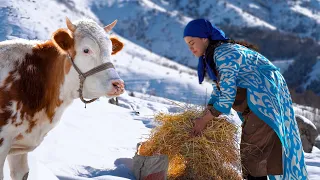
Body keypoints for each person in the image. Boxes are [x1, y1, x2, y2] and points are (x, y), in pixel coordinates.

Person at [183, 19, 308, 180]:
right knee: (253, 157)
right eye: (187, 44)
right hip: (262, 101)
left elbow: (227, 97)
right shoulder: (215, 55)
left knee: (252, 157)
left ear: (204, 38)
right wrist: (206, 113)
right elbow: (218, 91)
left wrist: (205, 119)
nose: (190, 48)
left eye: (192, 42)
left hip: (264, 102)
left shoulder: (223, 54)